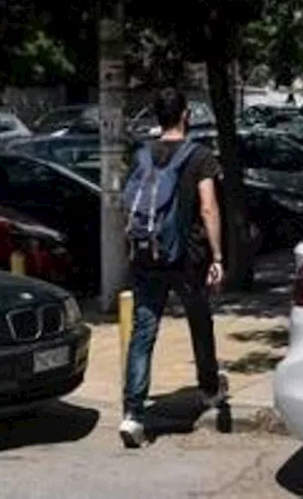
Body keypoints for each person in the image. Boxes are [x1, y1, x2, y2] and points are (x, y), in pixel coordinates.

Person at [118, 88, 226, 449]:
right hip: (186, 258)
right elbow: (209, 208)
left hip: (146, 255)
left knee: (143, 332)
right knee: (199, 321)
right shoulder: (199, 156)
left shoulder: (142, 154)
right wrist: (218, 257)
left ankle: (133, 414)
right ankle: (209, 389)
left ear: (157, 117)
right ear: (184, 116)